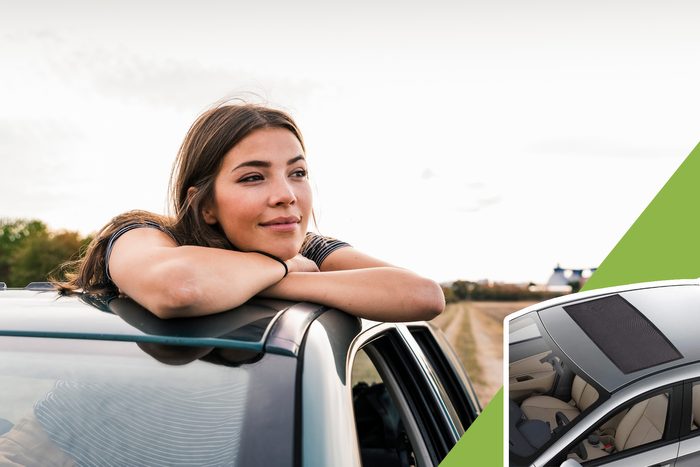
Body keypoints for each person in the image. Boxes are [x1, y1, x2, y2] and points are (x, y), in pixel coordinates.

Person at [57, 102, 444, 322]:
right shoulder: (143, 233)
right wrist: (284, 270)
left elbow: (423, 296)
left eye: (298, 173)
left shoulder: (311, 250)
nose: (286, 195)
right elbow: (180, 288)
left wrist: (274, 276)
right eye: (253, 177)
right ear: (205, 204)